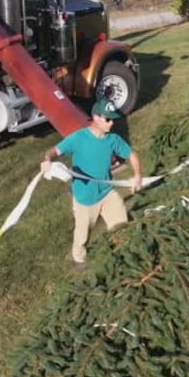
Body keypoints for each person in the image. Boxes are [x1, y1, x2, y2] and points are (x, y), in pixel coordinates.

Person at [41, 98, 144, 271]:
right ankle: (79, 260)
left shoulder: (113, 139)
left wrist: (138, 175)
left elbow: (132, 155)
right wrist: (47, 160)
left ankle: (122, 252)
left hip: (107, 192)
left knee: (121, 224)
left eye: (113, 119)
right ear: (96, 117)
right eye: (108, 119)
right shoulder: (78, 138)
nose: (112, 123)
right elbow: (53, 151)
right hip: (85, 197)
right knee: (82, 235)